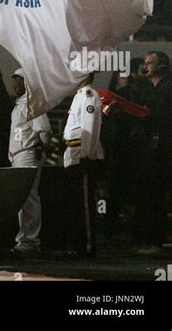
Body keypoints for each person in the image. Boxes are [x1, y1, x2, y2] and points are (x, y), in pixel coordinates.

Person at [8, 69, 51, 253]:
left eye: (19, 80)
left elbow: (45, 131)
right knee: (21, 199)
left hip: (27, 154)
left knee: (29, 198)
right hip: (18, 155)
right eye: (14, 80)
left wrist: (41, 148)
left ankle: (31, 240)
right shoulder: (19, 104)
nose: (15, 84)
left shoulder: (33, 103)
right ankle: (23, 238)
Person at [134, 51, 172, 255]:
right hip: (150, 147)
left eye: (150, 63)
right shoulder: (148, 88)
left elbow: (158, 112)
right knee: (150, 193)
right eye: (145, 62)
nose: (145, 66)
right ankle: (149, 238)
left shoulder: (167, 87)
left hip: (165, 147)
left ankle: (156, 241)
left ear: (162, 66)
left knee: (158, 194)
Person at [63, 74, 104, 257]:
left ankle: (87, 247)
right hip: (74, 156)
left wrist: (87, 156)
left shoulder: (89, 95)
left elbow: (90, 128)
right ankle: (78, 245)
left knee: (85, 205)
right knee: (77, 204)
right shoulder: (79, 95)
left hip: (82, 158)